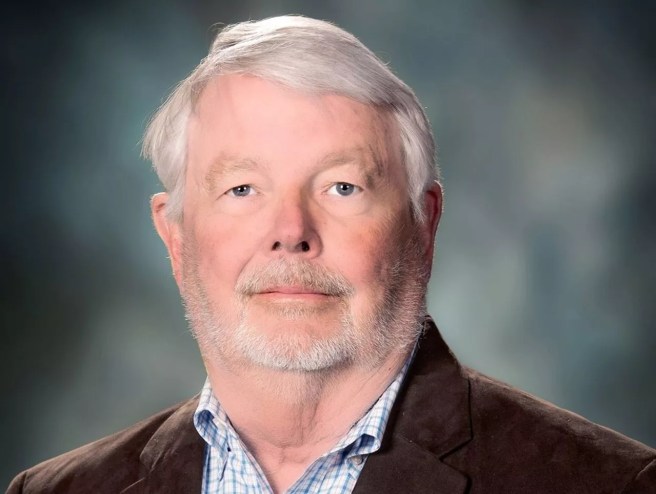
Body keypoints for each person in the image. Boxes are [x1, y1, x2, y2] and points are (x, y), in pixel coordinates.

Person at [7, 15, 655, 494]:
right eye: (242, 189)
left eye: (342, 187)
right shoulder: (56, 492)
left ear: (423, 225)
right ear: (175, 239)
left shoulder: (610, 484)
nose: (291, 231)